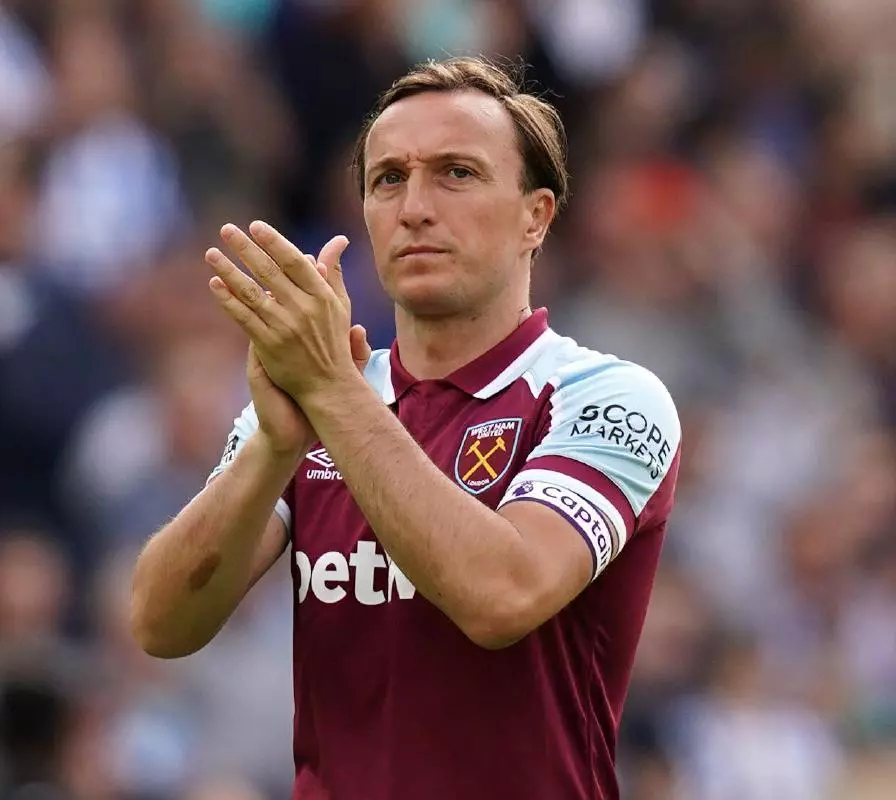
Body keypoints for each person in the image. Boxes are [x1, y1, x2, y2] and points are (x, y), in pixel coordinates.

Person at [129, 56, 682, 799]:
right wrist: (273, 447)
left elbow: (501, 596)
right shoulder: (319, 400)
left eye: (457, 173)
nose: (415, 208)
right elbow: (161, 624)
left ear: (536, 216)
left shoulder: (604, 397)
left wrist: (332, 394)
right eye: (389, 179)